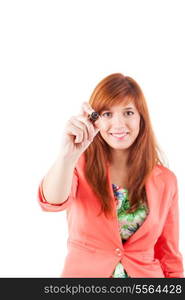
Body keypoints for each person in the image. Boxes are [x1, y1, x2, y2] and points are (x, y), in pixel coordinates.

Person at [37, 73, 184, 278]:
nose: (119, 124)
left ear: (141, 117)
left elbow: (169, 254)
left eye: (128, 112)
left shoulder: (166, 180)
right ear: (94, 119)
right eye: (107, 114)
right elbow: (51, 202)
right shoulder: (78, 166)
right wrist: (67, 156)